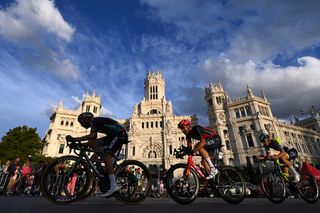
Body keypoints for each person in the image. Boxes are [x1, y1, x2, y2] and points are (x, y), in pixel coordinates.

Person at [66, 112, 128, 197]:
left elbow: (92, 136)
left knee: (106, 156)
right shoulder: (94, 122)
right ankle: (104, 161)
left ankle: (113, 185)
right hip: (111, 136)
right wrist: (80, 143)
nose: (81, 125)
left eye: (81, 122)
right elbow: (93, 140)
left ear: (86, 119)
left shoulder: (93, 121)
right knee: (93, 146)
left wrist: (75, 139)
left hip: (119, 135)